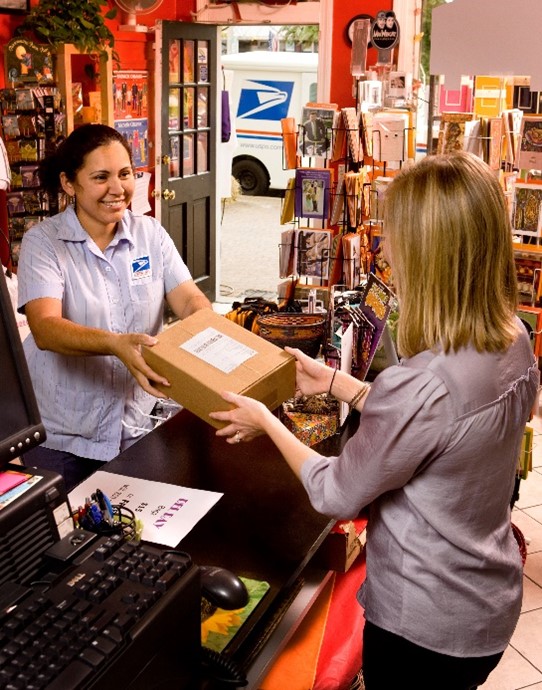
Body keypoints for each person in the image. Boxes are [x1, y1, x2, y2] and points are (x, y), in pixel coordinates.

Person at [209, 152, 539, 689]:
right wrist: (338, 383)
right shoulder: (512, 338)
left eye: (395, 239)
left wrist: (267, 420)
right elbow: (443, 427)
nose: (385, 252)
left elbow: (336, 492)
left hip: (423, 629)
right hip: (486, 605)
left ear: (431, 254)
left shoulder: (423, 382)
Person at [17, 124, 212, 491]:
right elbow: (44, 327)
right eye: (100, 177)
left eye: (125, 174)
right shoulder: (43, 244)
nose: (117, 188)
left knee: (136, 533)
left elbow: (188, 299)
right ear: (69, 183)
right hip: (64, 436)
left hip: (135, 425)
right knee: (64, 542)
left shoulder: (149, 234)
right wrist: (115, 344)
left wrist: (209, 327)